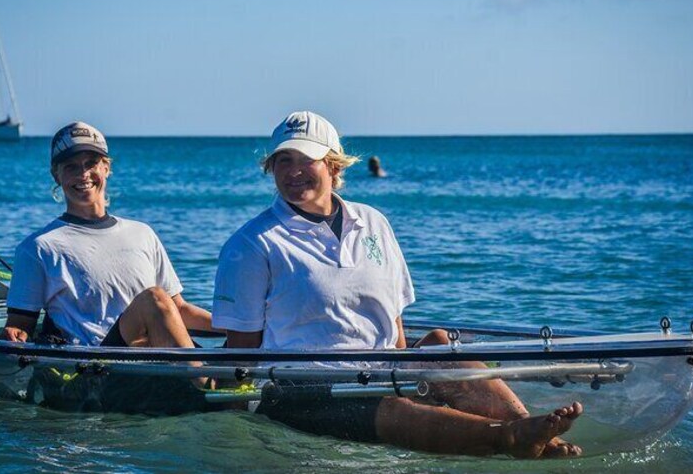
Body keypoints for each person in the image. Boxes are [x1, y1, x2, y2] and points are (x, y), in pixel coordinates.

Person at [212, 111, 582, 458]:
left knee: (438, 343)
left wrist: (411, 373)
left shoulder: (374, 223)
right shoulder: (251, 245)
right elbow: (241, 354)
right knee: (392, 407)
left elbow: (395, 321)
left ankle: (537, 432)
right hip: (302, 390)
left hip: (380, 371)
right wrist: (234, 426)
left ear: (332, 164)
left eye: (305, 159)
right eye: (283, 160)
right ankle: (510, 438)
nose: (293, 172)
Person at [2, 121, 213, 349]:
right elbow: (20, 324)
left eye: (91, 164)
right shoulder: (38, 247)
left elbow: (178, 310)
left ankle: (209, 376)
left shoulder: (142, 233)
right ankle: (205, 383)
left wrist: (240, 326)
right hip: (96, 368)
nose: (83, 175)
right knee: (153, 298)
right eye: (71, 167)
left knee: (161, 303)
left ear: (106, 168)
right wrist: (15, 334)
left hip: (152, 358)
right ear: (56, 175)